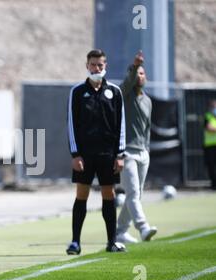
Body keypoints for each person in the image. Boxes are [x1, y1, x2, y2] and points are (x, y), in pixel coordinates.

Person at [66, 49, 126, 255]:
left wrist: (120, 154)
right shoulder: (77, 92)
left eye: (100, 65)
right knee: (82, 194)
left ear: (105, 66)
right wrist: (75, 154)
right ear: (87, 66)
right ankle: (75, 242)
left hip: (108, 155)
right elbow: (71, 124)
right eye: (93, 64)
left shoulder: (115, 92)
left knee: (109, 194)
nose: (96, 68)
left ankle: (112, 241)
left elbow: (121, 125)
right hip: (85, 155)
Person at [115, 51, 158, 244]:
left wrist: (147, 149)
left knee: (137, 194)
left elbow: (147, 128)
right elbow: (126, 83)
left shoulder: (148, 101)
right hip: (128, 152)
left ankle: (121, 231)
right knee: (132, 193)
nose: (140, 76)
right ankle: (143, 227)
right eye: (137, 73)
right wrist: (134, 65)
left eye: (142, 73)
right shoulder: (125, 95)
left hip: (143, 152)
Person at [203, 99, 216, 190]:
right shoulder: (207, 116)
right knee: (211, 166)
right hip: (209, 146)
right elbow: (209, 128)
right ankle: (213, 184)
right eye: (213, 106)